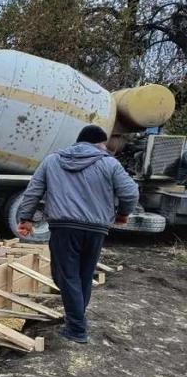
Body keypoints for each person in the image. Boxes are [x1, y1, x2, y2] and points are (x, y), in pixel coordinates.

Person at [17, 124, 139, 343]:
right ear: (100, 143)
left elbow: (33, 191)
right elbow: (130, 192)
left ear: (79, 141)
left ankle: (76, 328)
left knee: (65, 276)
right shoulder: (109, 163)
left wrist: (26, 218)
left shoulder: (52, 161)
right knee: (83, 275)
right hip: (96, 229)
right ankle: (76, 319)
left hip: (63, 228)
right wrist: (123, 214)